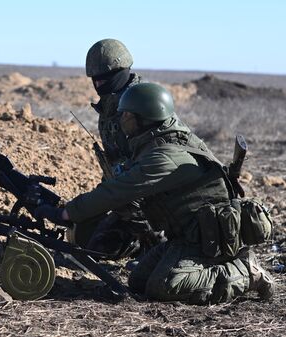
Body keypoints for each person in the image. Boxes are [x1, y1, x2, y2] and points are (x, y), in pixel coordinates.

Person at [36, 83, 274, 304]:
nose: (122, 119)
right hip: (187, 235)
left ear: (143, 118)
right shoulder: (162, 138)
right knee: (138, 281)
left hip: (208, 239)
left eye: (127, 114)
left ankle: (247, 272)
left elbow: (116, 192)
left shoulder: (163, 156)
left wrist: (69, 213)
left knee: (165, 287)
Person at [70, 38, 154, 258]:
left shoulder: (145, 106)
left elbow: (154, 169)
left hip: (156, 206)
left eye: (104, 79)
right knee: (91, 242)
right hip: (125, 201)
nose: (98, 85)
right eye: (94, 80)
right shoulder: (109, 108)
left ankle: (154, 244)